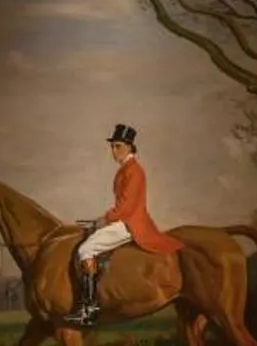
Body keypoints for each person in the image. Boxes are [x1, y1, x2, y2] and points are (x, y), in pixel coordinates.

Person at [70, 124, 184, 322]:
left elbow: (127, 207)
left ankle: (89, 308)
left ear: (130, 147)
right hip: (125, 220)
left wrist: (102, 220)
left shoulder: (134, 171)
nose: (114, 151)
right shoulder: (126, 169)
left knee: (85, 250)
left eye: (118, 146)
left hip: (131, 223)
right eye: (112, 147)